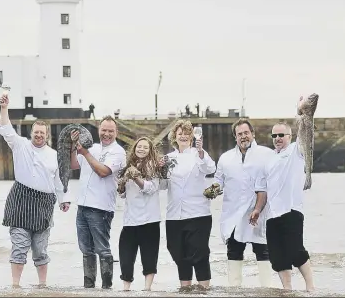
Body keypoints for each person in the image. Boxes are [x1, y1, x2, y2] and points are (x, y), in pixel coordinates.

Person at [0, 92, 71, 288]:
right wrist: (4, 108)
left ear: (47, 134)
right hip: (21, 201)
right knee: (19, 247)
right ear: (31, 132)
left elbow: (60, 180)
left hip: (44, 205)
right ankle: (15, 286)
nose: (38, 135)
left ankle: (43, 285)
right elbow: (5, 128)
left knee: (40, 250)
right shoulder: (20, 145)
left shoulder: (55, 155)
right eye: (36, 132)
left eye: (42, 133)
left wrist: (64, 199)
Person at [257, 96, 317, 292]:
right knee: (278, 257)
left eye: (281, 135)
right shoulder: (268, 160)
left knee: (296, 252)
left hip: (291, 210)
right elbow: (263, 189)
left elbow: (306, 132)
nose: (277, 139)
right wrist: (258, 209)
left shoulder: (295, 151)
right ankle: (287, 290)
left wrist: (302, 113)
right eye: (274, 136)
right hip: (272, 215)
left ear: (289, 136)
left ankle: (311, 288)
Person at [213, 118, 274, 287]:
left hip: (259, 211)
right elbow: (218, 181)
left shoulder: (267, 154)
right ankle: (234, 290)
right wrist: (213, 189)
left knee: (262, 251)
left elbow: (276, 181)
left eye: (246, 133)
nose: (243, 136)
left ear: (253, 134)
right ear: (235, 137)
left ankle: (266, 290)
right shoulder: (226, 158)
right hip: (233, 213)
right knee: (234, 251)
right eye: (239, 134)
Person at [70, 115, 127, 289]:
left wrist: (84, 153)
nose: (107, 134)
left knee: (102, 249)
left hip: (101, 208)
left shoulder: (118, 152)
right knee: (86, 250)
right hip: (83, 205)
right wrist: (74, 146)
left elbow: (103, 171)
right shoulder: (92, 148)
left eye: (111, 131)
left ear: (116, 132)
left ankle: (106, 288)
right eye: (104, 130)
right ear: (98, 130)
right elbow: (73, 165)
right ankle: (89, 287)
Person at [159, 119, 216, 291]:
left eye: (186, 133)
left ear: (192, 136)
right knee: (177, 252)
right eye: (180, 133)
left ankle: (204, 290)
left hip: (198, 213)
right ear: (174, 137)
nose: (183, 135)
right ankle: (185, 290)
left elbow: (210, 168)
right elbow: (162, 186)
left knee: (199, 253)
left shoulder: (198, 154)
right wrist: (160, 171)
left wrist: (200, 152)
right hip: (174, 215)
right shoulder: (168, 158)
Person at [116, 137, 163, 291]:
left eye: (145, 147)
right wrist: (122, 184)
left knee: (149, 256)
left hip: (149, 219)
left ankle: (147, 289)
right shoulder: (127, 167)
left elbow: (151, 188)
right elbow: (122, 195)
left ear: (150, 151)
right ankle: (126, 289)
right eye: (139, 146)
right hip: (130, 220)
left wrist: (136, 177)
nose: (141, 149)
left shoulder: (154, 167)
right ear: (134, 148)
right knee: (125, 256)